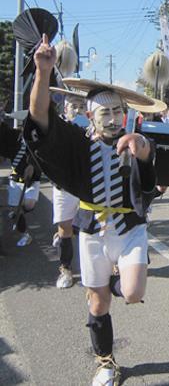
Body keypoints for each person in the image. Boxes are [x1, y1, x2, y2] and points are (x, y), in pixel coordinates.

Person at [26, 34, 160, 386]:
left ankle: (115, 283)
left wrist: (141, 146)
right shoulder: (75, 143)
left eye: (119, 111)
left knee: (133, 293)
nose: (114, 118)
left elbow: (150, 157)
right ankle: (105, 361)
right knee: (98, 304)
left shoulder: (133, 141)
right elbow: (39, 116)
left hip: (129, 227)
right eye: (106, 112)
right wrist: (43, 72)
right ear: (90, 115)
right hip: (91, 230)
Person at [48, 86, 89, 288]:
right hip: (64, 185)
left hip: (86, 185)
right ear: (65, 109)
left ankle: (105, 266)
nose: (78, 109)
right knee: (65, 228)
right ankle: (65, 268)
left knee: (93, 228)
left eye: (82, 106)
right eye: (74, 105)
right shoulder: (58, 127)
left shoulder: (91, 128)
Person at [0, 110, 41, 248]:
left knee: (29, 204)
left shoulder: (39, 139)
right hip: (16, 178)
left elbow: (43, 157)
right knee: (15, 208)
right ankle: (25, 234)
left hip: (32, 179)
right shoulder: (14, 136)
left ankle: (17, 213)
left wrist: (33, 166)